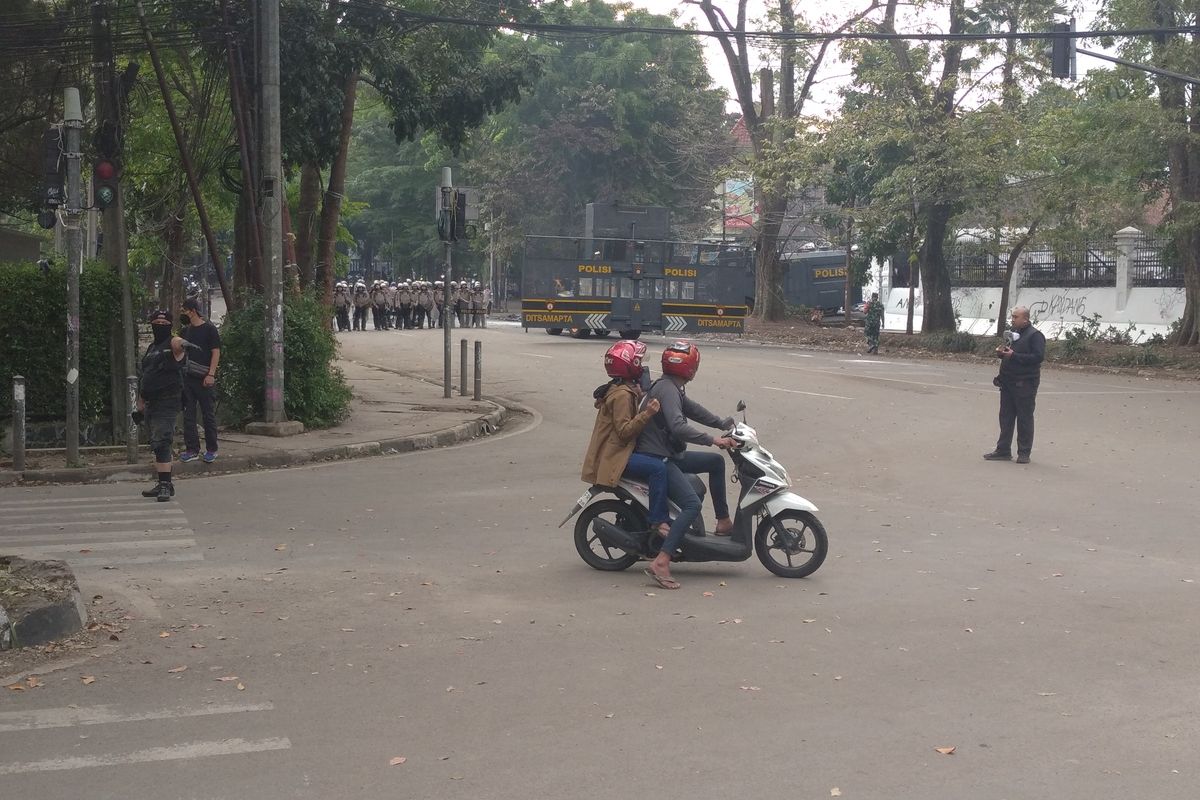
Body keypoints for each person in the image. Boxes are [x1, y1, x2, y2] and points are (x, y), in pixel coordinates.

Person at [635, 341, 736, 589]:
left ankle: (723, 521)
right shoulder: (668, 389)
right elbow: (679, 427)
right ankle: (662, 560)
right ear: (691, 368)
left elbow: (694, 410)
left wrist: (722, 423)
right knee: (692, 504)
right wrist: (713, 439)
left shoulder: (672, 386)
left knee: (715, 463)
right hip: (658, 458)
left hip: (668, 454)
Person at [581, 341, 668, 536]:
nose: (643, 367)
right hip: (614, 457)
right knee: (658, 468)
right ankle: (658, 520)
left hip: (616, 451)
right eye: (639, 362)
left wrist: (638, 396)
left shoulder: (620, 388)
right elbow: (624, 431)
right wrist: (648, 413)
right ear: (630, 365)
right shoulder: (621, 394)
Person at [984, 306, 1045, 464]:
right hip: (1008, 381)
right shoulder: (1012, 333)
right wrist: (1002, 353)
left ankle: (1024, 452)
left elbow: (1038, 357)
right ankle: (1003, 450)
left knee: (1024, 418)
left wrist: (1014, 355)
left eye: (1015, 317)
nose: (1012, 319)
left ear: (1025, 319)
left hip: (1025, 383)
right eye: (1012, 316)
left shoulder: (1035, 335)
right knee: (1006, 417)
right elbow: (1009, 353)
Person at [136, 310, 187, 501]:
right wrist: (140, 403)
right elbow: (146, 375)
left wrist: (183, 343)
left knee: (163, 440)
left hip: (168, 400)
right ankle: (162, 482)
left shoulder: (171, 344)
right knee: (156, 444)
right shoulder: (151, 348)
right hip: (151, 402)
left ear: (170, 326)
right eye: (156, 321)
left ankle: (166, 485)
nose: (159, 325)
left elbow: (178, 343)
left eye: (164, 323)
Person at [179, 298, 220, 464]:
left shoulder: (210, 329)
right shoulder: (185, 331)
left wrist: (211, 374)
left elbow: (215, 352)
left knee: (207, 415)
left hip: (204, 378)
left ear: (192, 311)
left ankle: (211, 449)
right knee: (188, 416)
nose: (183, 314)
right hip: (188, 378)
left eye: (185, 310)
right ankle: (192, 449)